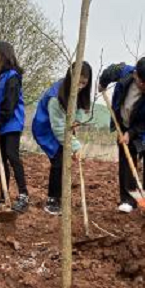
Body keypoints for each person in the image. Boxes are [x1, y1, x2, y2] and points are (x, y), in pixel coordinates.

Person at [98, 56, 145, 213]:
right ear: (136, 75)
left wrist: (131, 133)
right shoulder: (125, 72)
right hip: (125, 123)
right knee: (126, 162)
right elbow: (110, 71)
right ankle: (128, 201)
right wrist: (103, 83)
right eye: (144, 83)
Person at [32, 61, 93, 215]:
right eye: (77, 82)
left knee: (65, 159)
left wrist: (76, 121)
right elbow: (58, 128)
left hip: (62, 127)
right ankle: (53, 200)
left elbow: (79, 109)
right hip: (46, 128)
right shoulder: (55, 97)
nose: (79, 86)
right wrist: (75, 146)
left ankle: (61, 197)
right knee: (59, 160)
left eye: (84, 83)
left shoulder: (79, 92)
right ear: (70, 77)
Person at [0, 40, 28, 212]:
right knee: (0, 160)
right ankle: (4, 194)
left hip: (11, 122)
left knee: (12, 156)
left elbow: (9, 104)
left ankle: (24, 195)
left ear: (3, 53)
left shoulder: (12, 76)